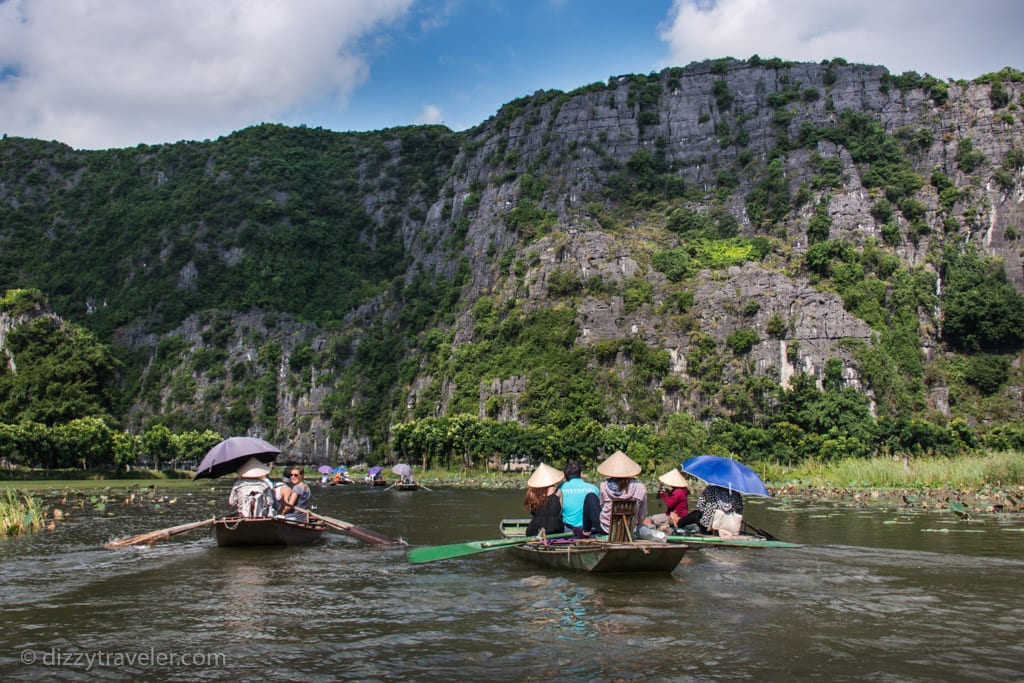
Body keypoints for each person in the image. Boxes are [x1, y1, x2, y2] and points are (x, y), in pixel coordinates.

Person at [597, 450, 648, 536]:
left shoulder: (604, 486)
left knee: (590, 497)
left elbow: (602, 506)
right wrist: (636, 525)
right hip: (630, 530)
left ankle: (586, 532)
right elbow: (643, 513)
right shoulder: (640, 488)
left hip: (607, 529)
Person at [677, 484, 744, 535]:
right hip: (728, 527)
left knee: (694, 514)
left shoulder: (710, 489)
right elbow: (739, 512)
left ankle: (679, 526)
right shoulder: (736, 495)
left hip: (707, 527)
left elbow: (700, 506)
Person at [559, 460, 601, 536]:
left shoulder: (560, 489)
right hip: (591, 530)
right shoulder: (594, 488)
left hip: (570, 530)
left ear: (565, 476)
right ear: (581, 474)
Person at [524, 463, 565, 535]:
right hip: (556, 528)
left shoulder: (532, 493)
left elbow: (532, 511)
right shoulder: (558, 492)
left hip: (535, 528)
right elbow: (560, 511)